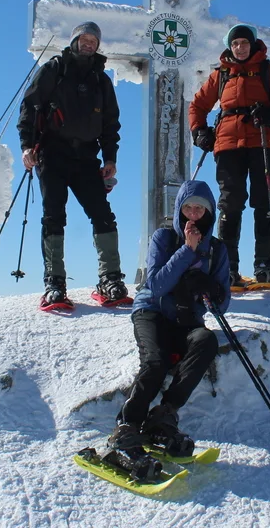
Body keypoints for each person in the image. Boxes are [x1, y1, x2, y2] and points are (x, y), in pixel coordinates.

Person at [106, 180, 231, 473]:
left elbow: (222, 303)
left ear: (209, 211)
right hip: (152, 310)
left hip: (187, 320)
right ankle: (127, 425)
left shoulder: (216, 249)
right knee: (156, 361)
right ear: (179, 209)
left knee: (206, 341)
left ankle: (164, 414)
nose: (193, 214)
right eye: (187, 207)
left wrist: (209, 287)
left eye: (199, 208)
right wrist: (187, 251)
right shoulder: (164, 238)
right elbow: (156, 284)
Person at [16, 21, 130, 312]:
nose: (89, 44)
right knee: (54, 216)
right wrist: (27, 147)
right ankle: (54, 284)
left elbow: (110, 124)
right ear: (75, 41)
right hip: (52, 154)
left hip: (86, 159)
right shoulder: (54, 69)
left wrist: (110, 159)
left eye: (94, 40)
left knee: (102, 214)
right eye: (85, 39)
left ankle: (111, 279)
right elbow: (29, 107)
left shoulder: (101, 81)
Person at [188, 24, 270, 287]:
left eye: (244, 43)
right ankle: (228, 268)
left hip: (263, 142)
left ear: (253, 44)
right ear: (230, 46)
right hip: (227, 145)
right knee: (230, 203)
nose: (240, 47)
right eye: (235, 43)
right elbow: (198, 105)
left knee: (264, 200)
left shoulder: (269, 71)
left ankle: (265, 265)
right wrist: (199, 131)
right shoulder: (221, 75)